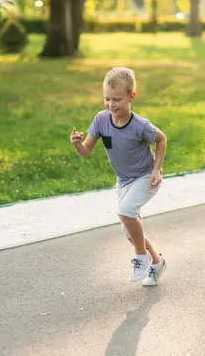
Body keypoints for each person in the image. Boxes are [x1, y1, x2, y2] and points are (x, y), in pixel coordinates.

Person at [70, 67, 168, 286]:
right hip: (124, 182)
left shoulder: (140, 125)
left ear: (131, 96)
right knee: (129, 231)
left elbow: (161, 139)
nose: (111, 105)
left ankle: (140, 257)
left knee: (125, 212)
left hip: (145, 177)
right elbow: (86, 151)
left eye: (116, 99)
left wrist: (156, 169)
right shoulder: (101, 119)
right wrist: (77, 144)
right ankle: (156, 261)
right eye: (107, 99)